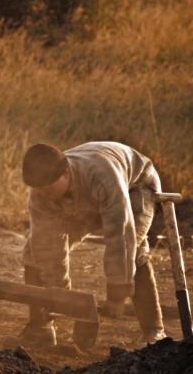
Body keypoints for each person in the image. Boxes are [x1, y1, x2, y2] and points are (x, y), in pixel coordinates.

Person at [18, 142, 165, 347]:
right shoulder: (41, 194)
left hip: (135, 187)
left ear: (66, 173)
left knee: (134, 249)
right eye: (39, 190)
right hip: (81, 198)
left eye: (48, 189)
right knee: (34, 252)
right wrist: (63, 298)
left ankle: (153, 332)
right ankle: (40, 328)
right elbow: (46, 245)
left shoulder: (103, 176)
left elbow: (120, 235)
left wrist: (116, 293)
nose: (44, 195)